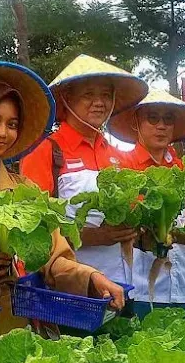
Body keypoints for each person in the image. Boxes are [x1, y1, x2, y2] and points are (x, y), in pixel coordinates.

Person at [0, 61, 125, 340]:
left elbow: (53, 257)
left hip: (27, 324)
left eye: (12, 124)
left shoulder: (25, 189)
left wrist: (92, 277)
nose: (3, 133)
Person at [20, 54, 148, 286]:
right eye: (88, 94)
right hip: (69, 287)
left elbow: (136, 213)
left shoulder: (119, 156)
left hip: (124, 284)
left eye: (106, 95)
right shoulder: (45, 151)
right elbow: (32, 226)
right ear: (67, 98)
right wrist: (92, 236)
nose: (99, 102)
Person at [108, 89, 185, 318]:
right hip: (139, 286)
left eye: (168, 119)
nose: (161, 126)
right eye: (152, 118)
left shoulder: (184, 171)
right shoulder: (122, 167)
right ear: (136, 123)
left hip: (184, 285)